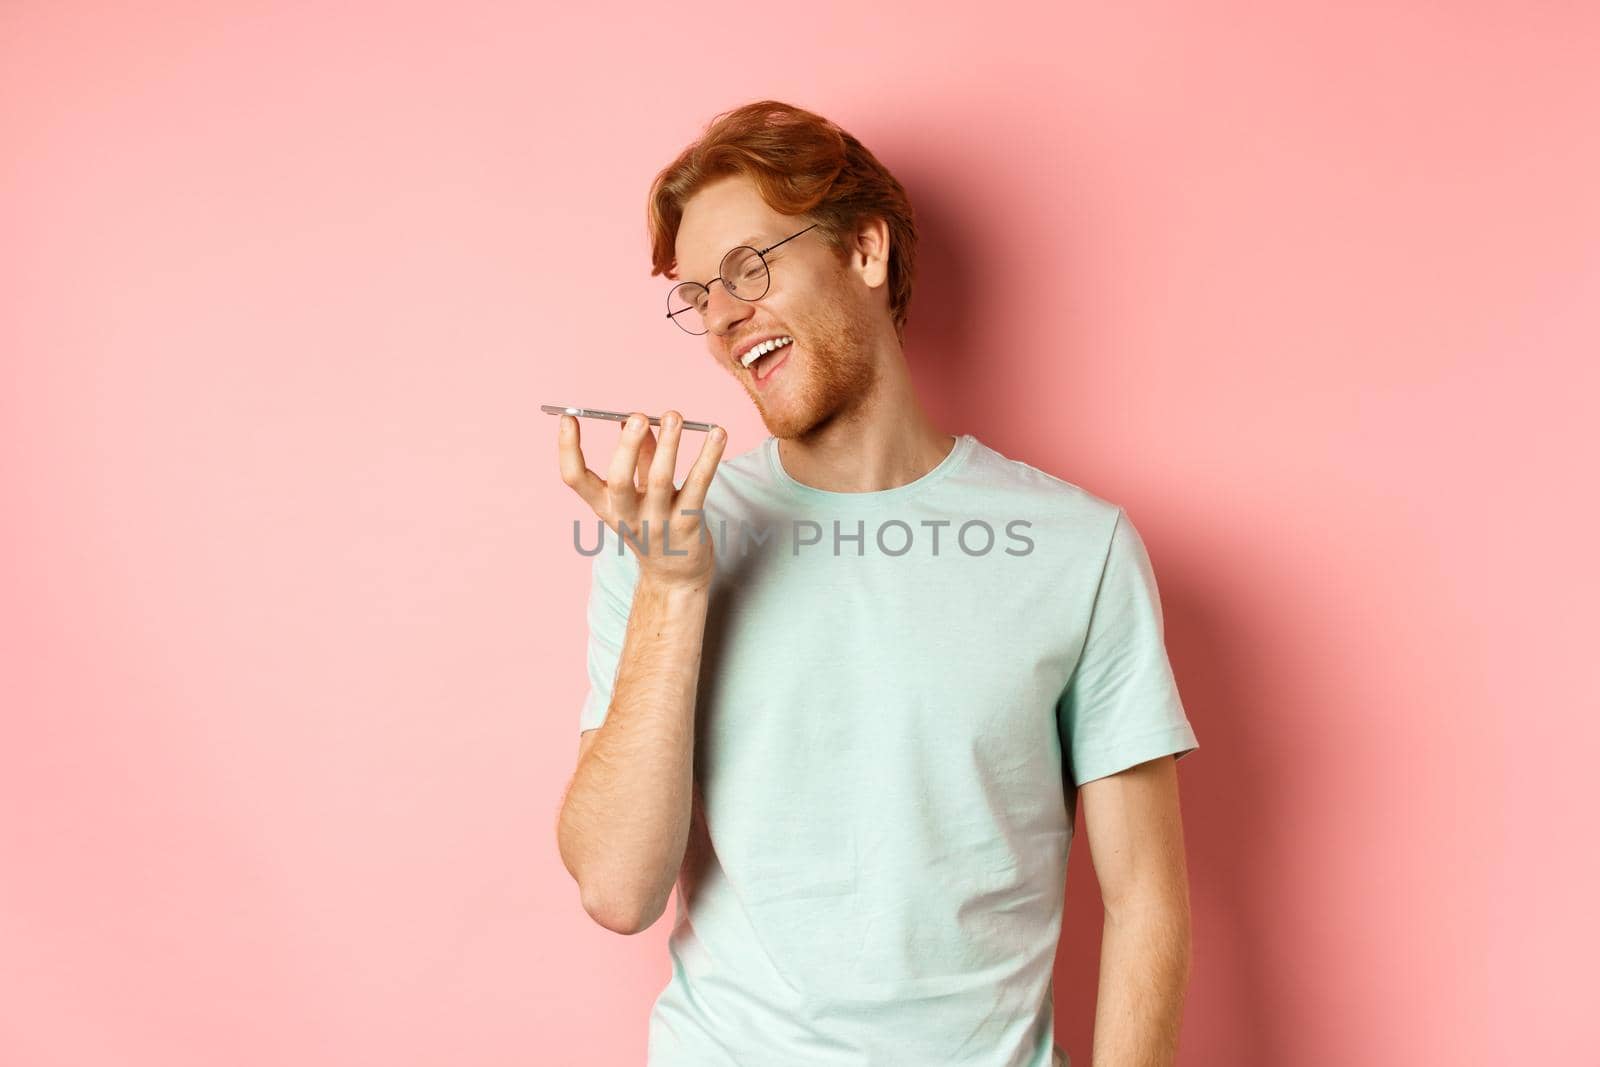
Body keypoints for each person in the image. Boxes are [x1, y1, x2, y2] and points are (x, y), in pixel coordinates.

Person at [554, 99, 1199, 1067]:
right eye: (699, 295)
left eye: (749, 267)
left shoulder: (1079, 550)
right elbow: (615, 886)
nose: (723, 318)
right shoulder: (664, 542)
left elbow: (1146, 899)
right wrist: (673, 591)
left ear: (864, 250)